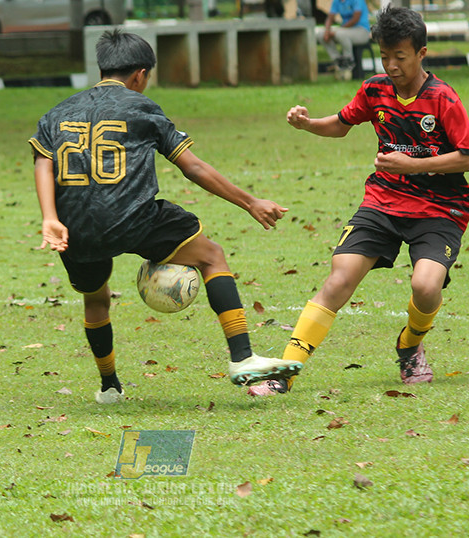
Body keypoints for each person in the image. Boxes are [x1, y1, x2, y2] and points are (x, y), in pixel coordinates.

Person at [30, 29, 302, 404]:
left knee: (95, 298)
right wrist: (249, 201)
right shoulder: (142, 108)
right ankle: (242, 357)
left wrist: (49, 217)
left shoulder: (58, 112)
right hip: (133, 217)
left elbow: (43, 162)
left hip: (74, 228)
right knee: (211, 256)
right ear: (140, 74)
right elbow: (193, 168)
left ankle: (110, 387)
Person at [249, 5, 469, 396]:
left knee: (425, 286)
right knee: (339, 278)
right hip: (384, 201)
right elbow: (341, 124)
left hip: (440, 208)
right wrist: (308, 124)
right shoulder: (375, 89)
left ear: (421, 53)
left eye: (400, 57)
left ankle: (409, 345)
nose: (391, 65)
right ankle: (284, 372)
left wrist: (411, 165)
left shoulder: (443, 98)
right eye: (384, 56)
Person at [319, 0, 371, 76]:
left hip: (361, 31)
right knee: (320, 34)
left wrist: (339, 29)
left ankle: (348, 63)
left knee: (340, 34)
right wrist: (327, 30)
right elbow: (330, 18)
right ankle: (338, 61)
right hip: (346, 30)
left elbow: (355, 18)